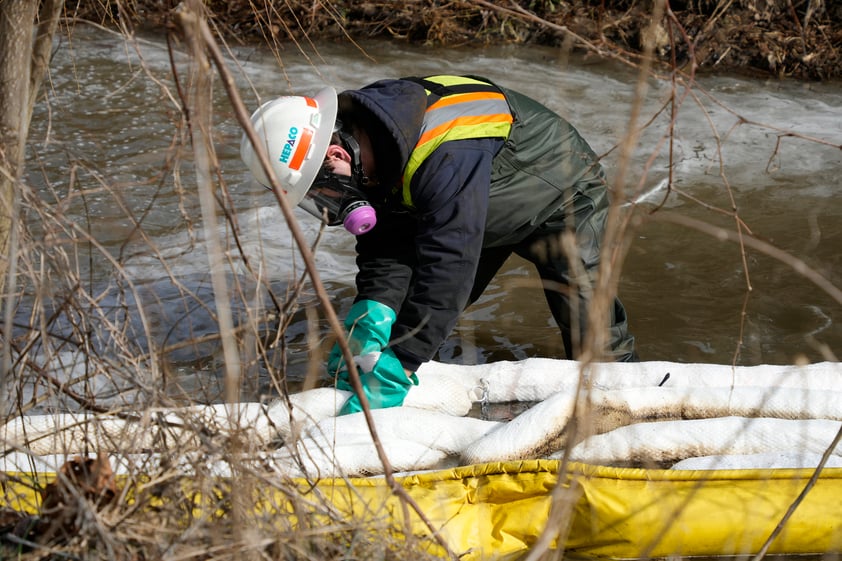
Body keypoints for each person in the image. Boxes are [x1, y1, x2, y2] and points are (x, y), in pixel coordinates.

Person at [241, 75, 637, 414]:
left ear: (336, 153)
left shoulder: (443, 152)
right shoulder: (374, 140)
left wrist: (403, 362)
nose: (329, 201)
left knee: (591, 327)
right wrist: (372, 312)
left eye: (321, 189)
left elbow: (450, 263)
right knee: (405, 312)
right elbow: (389, 238)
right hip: (473, 203)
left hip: (559, 191)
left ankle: (630, 408)